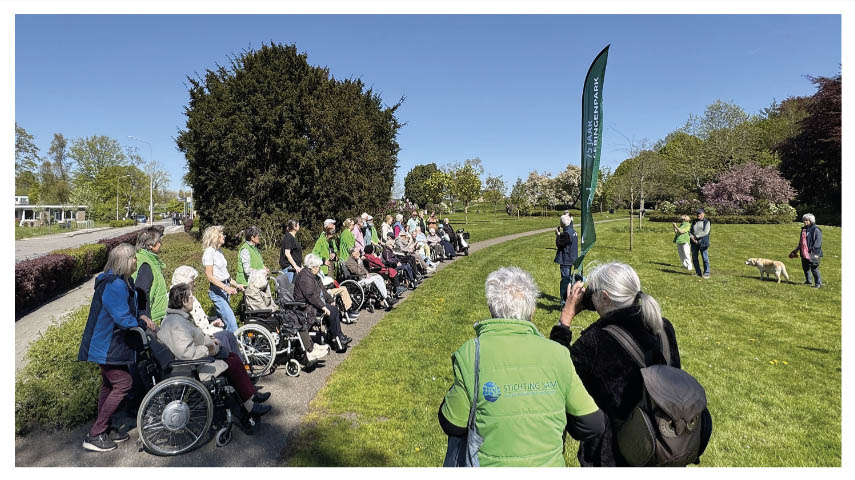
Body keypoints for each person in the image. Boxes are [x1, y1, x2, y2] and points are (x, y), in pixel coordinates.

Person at [438, 266, 604, 466]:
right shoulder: (558, 354)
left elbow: (452, 423)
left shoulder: (472, 353)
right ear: (533, 310)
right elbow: (592, 424)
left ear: (491, 309)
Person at [550, 262, 712, 466]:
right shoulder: (663, 327)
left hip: (615, 455)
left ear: (605, 297)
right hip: (664, 442)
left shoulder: (596, 341)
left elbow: (555, 373)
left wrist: (565, 320)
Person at [78, 243, 156, 452]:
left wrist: (139, 317)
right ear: (125, 261)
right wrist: (140, 324)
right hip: (107, 344)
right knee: (123, 383)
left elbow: (125, 311)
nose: (136, 262)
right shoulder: (115, 285)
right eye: (133, 259)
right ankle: (96, 433)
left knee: (109, 385)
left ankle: (106, 428)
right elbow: (122, 318)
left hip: (110, 343)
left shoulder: (122, 281)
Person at [159, 283, 271, 420]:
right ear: (183, 301)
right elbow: (187, 353)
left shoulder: (178, 319)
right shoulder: (176, 324)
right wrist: (208, 349)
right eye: (191, 297)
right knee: (233, 362)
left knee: (231, 355)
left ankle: (251, 395)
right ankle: (250, 405)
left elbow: (195, 337)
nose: (193, 299)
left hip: (195, 360)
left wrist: (211, 341)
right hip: (193, 366)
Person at [171, 265, 241, 359]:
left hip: (204, 331)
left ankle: (239, 363)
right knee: (223, 338)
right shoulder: (178, 300)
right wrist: (209, 329)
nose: (194, 284)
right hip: (199, 337)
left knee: (229, 335)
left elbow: (199, 320)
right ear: (185, 283)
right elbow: (190, 326)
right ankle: (230, 367)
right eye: (192, 282)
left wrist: (212, 324)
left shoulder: (189, 297)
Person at [293, 253, 352, 352]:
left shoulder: (314, 276)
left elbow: (322, 290)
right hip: (306, 306)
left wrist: (330, 300)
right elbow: (311, 296)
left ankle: (337, 335)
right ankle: (337, 337)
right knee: (332, 311)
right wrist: (323, 306)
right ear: (312, 267)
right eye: (318, 267)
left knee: (334, 309)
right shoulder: (305, 277)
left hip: (314, 303)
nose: (319, 269)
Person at [202, 225, 244, 332]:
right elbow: (209, 276)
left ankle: (221, 346)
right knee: (232, 323)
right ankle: (234, 347)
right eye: (222, 235)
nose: (224, 237)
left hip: (225, 289)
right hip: (217, 291)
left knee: (222, 323)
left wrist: (236, 284)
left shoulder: (219, 251)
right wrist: (226, 288)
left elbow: (226, 275)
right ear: (215, 237)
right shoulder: (209, 252)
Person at [132, 227, 168, 325]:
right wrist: (146, 320)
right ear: (150, 245)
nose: (161, 244)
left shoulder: (150, 259)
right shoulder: (145, 264)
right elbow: (142, 293)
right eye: (159, 241)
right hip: (150, 319)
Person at [345, 246, 398, 311]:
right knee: (375, 280)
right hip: (358, 279)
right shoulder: (349, 262)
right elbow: (357, 272)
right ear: (352, 253)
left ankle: (386, 297)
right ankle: (386, 298)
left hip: (364, 276)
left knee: (379, 277)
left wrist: (367, 273)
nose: (359, 253)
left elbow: (364, 269)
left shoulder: (356, 260)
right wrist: (359, 262)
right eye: (357, 252)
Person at [790, 213, 823, 288]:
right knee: (805, 267)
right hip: (804, 252)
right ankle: (808, 281)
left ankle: (818, 284)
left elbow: (818, 242)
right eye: (804, 220)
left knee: (814, 268)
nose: (804, 221)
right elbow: (801, 242)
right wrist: (796, 250)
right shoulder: (804, 230)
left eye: (806, 220)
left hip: (814, 253)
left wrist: (813, 250)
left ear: (811, 221)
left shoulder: (816, 229)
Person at [554, 214, 578, 307]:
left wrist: (557, 235)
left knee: (565, 280)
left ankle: (565, 301)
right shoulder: (572, 231)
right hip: (572, 258)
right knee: (570, 279)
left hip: (566, 259)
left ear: (562, 224)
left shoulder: (567, 234)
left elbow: (560, 243)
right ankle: (570, 297)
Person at [689, 208, 711, 279]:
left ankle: (706, 273)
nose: (698, 215)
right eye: (697, 214)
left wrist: (696, 237)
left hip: (703, 242)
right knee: (694, 258)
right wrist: (692, 237)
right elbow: (690, 231)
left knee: (705, 258)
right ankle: (698, 273)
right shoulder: (694, 221)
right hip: (694, 242)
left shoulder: (707, 222)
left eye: (699, 214)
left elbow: (705, 232)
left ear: (703, 214)